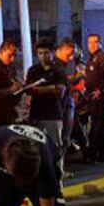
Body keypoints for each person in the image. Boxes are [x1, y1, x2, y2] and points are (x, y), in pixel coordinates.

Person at [24, 37, 68, 167]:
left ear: (52, 52)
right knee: (34, 146)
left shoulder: (59, 71)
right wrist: (49, 88)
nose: (43, 56)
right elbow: (28, 90)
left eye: (46, 53)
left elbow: (59, 92)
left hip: (53, 115)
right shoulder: (33, 70)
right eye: (40, 53)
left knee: (56, 147)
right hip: (36, 114)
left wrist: (37, 89)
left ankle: (58, 175)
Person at [53, 38, 84, 170]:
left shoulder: (67, 63)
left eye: (72, 54)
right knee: (58, 139)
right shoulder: (52, 64)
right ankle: (56, 168)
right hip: (56, 107)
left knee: (65, 138)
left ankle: (60, 167)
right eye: (69, 54)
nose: (70, 57)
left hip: (67, 103)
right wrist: (77, 77)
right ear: (60, 50)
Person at [83, 33, 104, 163]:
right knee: (99, 125)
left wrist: (100, 90)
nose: (92, 45)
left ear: (100, 43)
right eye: (90, 42)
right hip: (92, 94)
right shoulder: (92, 58)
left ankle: (93, 155)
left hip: (99, 96)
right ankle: (103, 154)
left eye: (95, 42)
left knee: (96, 125)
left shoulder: (102, 57)